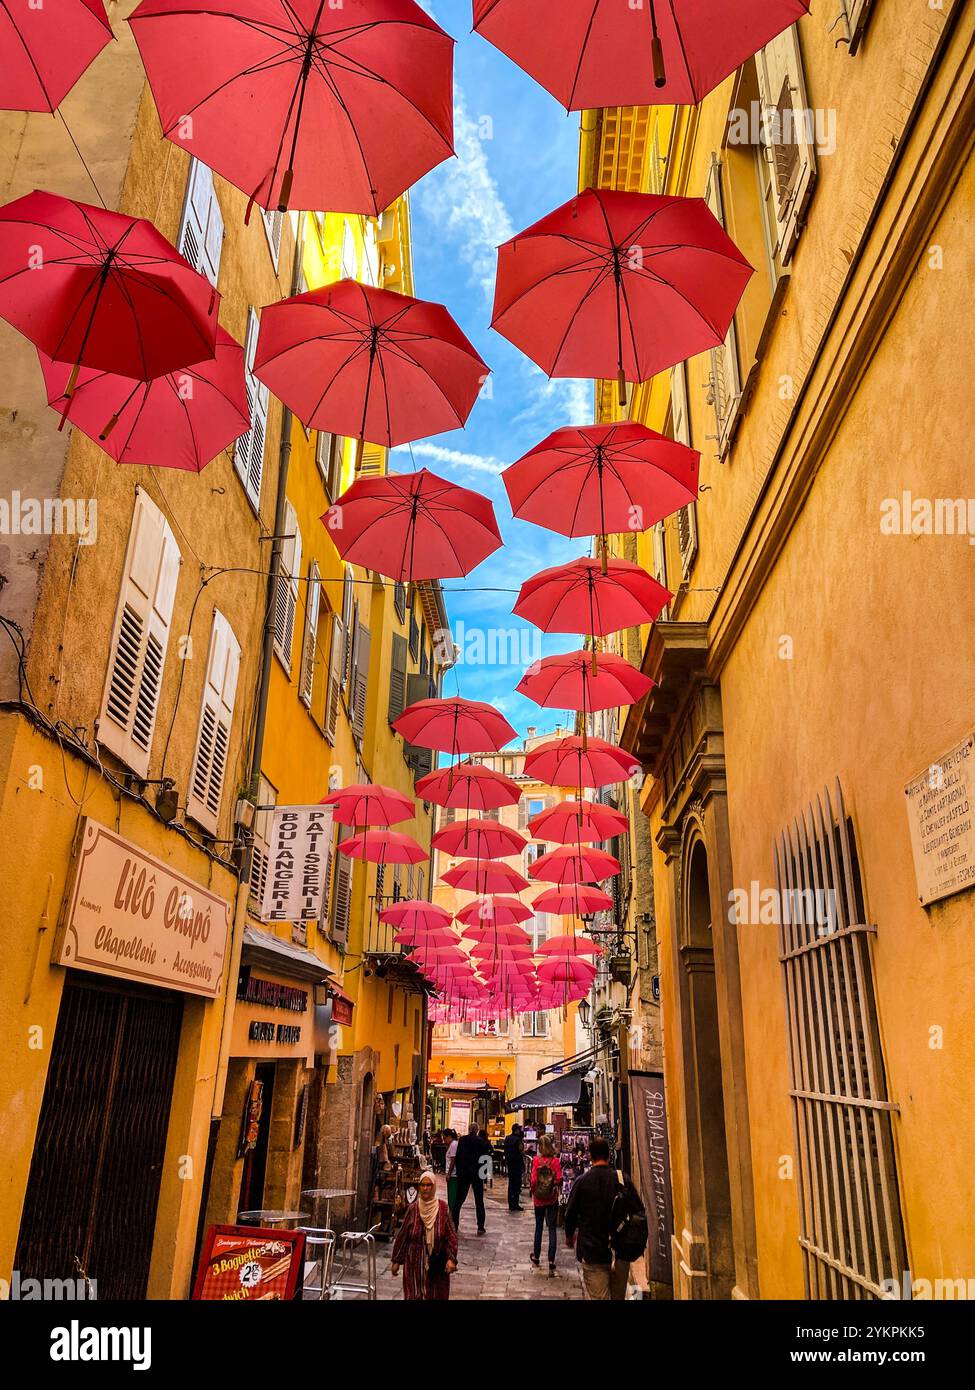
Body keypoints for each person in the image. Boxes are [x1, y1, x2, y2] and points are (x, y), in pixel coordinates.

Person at [564, 1136, 645, 1300]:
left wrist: (569, 1235)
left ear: (590, 1156)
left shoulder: (582, 1182)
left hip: (592, 1249)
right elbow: (639, 1211)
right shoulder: (622, 1180)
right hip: (621, 1249)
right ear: (609, 1155)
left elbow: (570, 1213)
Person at [390, 1173, 458, 1301]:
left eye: (429, 1185)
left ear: (434, 1187)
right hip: (414, 1266)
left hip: (436, 1268)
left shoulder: (443, 1209)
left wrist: (451, 1259)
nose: (425, 1188)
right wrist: (396, 1261)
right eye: (423, 1185)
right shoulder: (413, 1209)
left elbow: (451, 1237)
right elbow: (403, 1236)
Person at [529, 1133, 563, 1276]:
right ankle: (551, 1260)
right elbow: (560, 1179)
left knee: (538, 1227)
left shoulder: (536, 1160)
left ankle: (536, 1256)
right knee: (552, 1229)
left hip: (538, 1199)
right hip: (552, 1199)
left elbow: (533, 1180)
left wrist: (533, 1191)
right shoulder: (555, 1161)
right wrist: (553, 1184)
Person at [449, 1122, 492, 1235]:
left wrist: (459, 1171)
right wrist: (484, 1176)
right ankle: (480, 1227)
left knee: (459, 1200)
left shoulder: (462, 1140)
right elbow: (485, 1158)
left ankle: (455, 1224)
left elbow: (458, 1157)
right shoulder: (481, 1141)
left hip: (464, 1174)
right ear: (477, 1130)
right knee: (479, 1201)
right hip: (477, 1174)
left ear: (469, 1129)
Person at [503, 1124, 525, 1212]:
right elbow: (521, 1150)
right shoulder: (518, 1140)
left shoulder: (507, 1138)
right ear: (516, 1130)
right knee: (516, 1185)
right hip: (517, 1164)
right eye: (519, 1129)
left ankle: (510, 1203)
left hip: (510, 1164)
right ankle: (515, 1204)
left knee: (511, 1184)